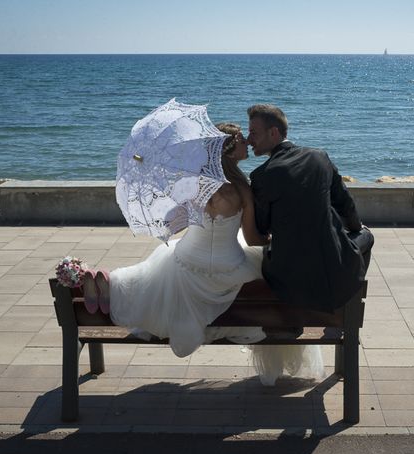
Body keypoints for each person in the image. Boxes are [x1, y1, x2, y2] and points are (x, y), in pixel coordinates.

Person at [83, 123, 324, 384]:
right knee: (267, 273)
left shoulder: (193, 182)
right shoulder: (243, 189)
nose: (247, 144)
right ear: (230, 151)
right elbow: (253, 238)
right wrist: (271, 238)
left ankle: (110, 282)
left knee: (144, 277)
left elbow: (176, 219)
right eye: (242, 140)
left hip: (186, 260)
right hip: (228, 267)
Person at [247, 104, 374, 313]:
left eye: (253, 132)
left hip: (286, 279)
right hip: (331, 268)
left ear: (273, 132)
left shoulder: (261, 176)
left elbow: (262, 227)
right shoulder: (319, 157)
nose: (249, 139)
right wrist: (356, 228)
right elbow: (345, 204)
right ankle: (349, 300)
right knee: (366, 236)